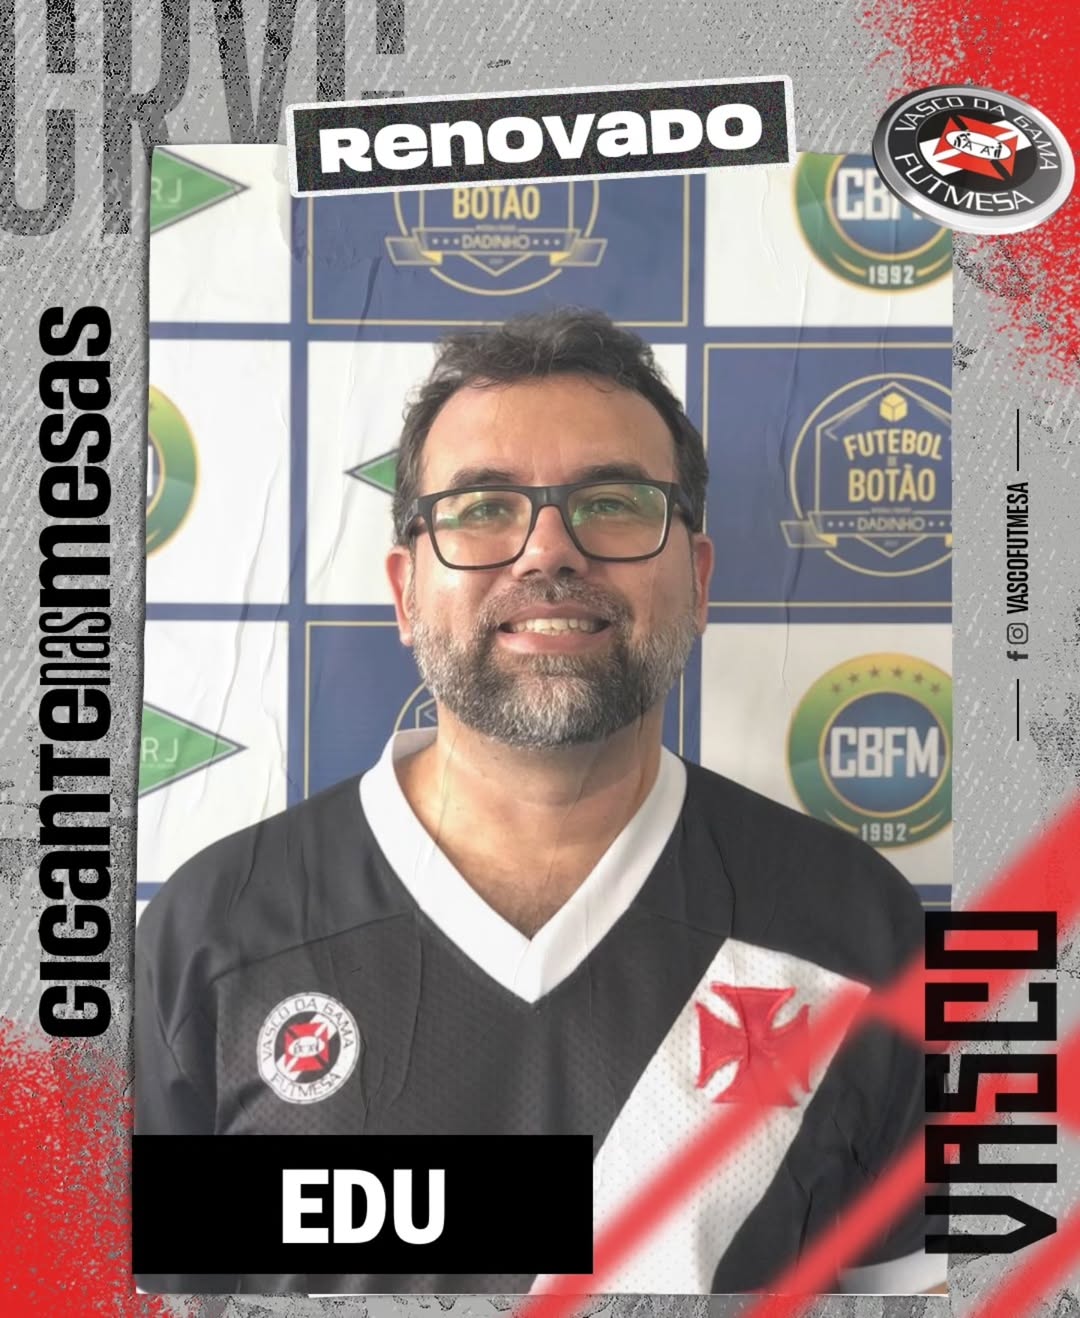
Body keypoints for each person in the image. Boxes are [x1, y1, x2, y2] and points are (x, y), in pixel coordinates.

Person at [135, 308, 946, 1296]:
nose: (546, 552)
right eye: (483, 507)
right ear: (405, 592)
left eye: (612, 502)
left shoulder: (856, 928)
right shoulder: (215, 932)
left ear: (697, 580)